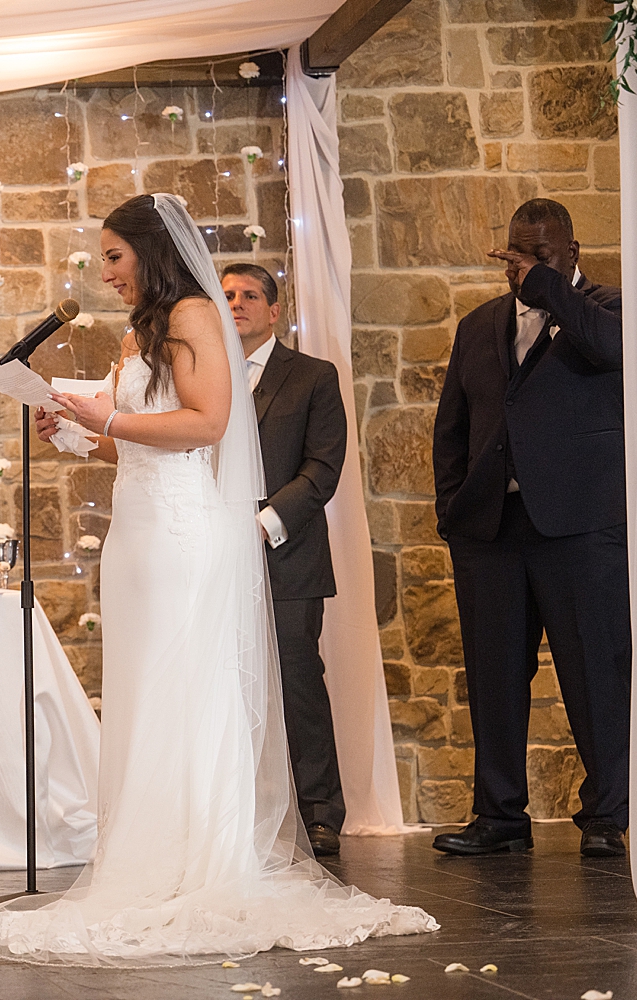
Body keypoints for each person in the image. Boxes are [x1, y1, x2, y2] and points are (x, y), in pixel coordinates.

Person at [0, 195, 436, 966]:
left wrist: (108, 421)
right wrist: (79, 434)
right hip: (137, 537)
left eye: (114, 256)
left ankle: (203, 861)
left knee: (190, 690)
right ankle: (150, 856)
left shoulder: (194, 316)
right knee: (146, 694)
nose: (104, 270)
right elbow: (144, 447)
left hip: (186, 536)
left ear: (150, 252)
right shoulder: (139, 333)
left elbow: (208, 425)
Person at [432, 198, 628, 859]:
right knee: (494, 676)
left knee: (596, 671)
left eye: (539, 254)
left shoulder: (609, 312)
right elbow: (452, 427)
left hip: (580, 528)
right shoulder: (479, 325)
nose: (522, 265)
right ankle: (499, 817)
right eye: (516, 252)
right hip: (491, 529)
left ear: (572, 254)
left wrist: (549, 288)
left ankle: (608, 814)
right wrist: (452, 510)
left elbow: (615, 354)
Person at [223, 262, 348, 857]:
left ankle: (320, 812)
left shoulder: (313, 376)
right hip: (214, 560)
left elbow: (323, 468)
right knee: (224, 687)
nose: (237, 302)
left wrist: (263, 523)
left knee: (297, 683)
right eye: (225, 295)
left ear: (275, 312)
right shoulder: (203, 377)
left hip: (285, 555)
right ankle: (236, 809)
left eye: (250, 295)